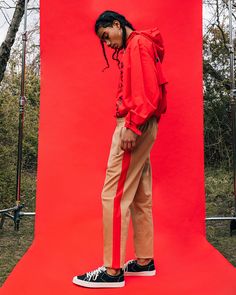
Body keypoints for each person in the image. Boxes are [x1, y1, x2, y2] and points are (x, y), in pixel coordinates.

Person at [72, 10, 168, 288]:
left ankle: (112, 271)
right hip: (144, 124)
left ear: (117, 24)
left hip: (134, 125)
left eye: (106, 36)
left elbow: (149, 91)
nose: (108, 43)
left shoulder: (137, 43)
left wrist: (133, 126)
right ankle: (144, 261)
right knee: (140, 194)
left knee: (112, 195)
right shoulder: (141, 44)